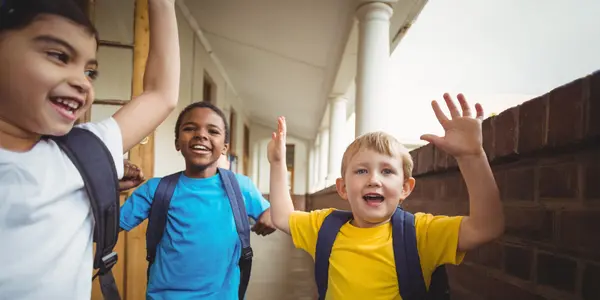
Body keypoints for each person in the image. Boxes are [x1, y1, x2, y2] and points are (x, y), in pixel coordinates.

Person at [0, 0, 180, 298]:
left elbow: (160, 94)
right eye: (59, 56)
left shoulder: (82, 150)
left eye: (90, 72)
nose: (83, 83)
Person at [267, 94, 504, 299]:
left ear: (405, 188)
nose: (374, 180)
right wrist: (277, 162)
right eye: (361, 170)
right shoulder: (323, 228)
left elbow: (486, 227)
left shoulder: (421, 234)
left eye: (387, 171)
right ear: (342, 188)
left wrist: (472, 156)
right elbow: (282, 217)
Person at [119, 101, 275, 299]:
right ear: (177, 142)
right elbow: (104, 229)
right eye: (190, 128)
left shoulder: (240, 187)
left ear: (224, 147)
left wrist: (272, 213)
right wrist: (106, 187)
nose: (201, 134)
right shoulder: (157, 189)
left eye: (213, 131)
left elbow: (276, 216)